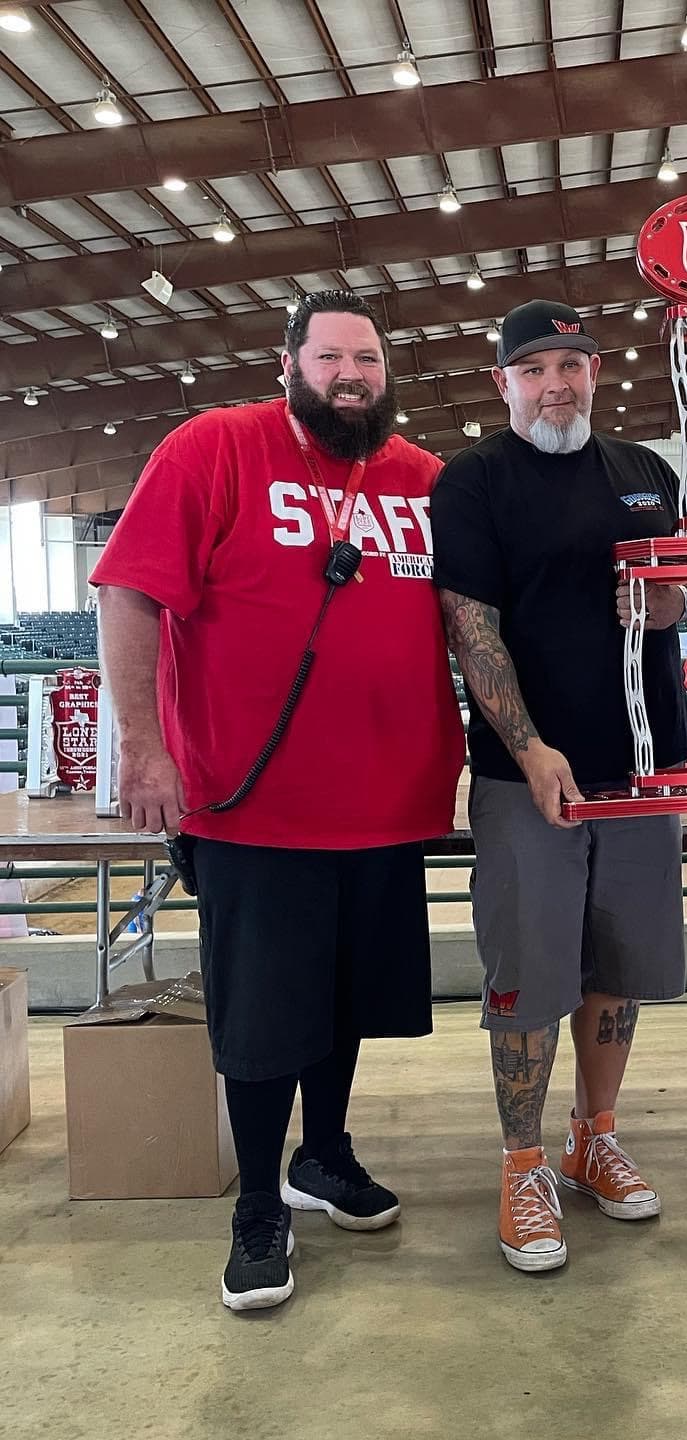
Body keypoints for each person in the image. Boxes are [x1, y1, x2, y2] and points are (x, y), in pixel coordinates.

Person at [94, 290, 464, 1312]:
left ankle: (323, 1156)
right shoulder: (215, 449)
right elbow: (128, 591)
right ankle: (259, 1204)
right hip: (252, 802)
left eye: (368, 360)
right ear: (289, 365)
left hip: (386, 803)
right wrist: (142, 748)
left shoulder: (422, 477)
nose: (351, 376)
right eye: (331, 357)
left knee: (344, 1002)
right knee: (263, 1018)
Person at [432, 299, 687, 1274]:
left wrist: (675, 601)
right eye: (534, 369)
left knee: (618, 965)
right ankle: (522, 1164)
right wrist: (529, 749)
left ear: (596, 372)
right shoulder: (474, 481)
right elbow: (471, 630)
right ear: (504, 383)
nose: (555, 385)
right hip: (531, 777)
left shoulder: (645, 473)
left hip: (644, 765)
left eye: (571, 365)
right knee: (528, 977)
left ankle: (591, 1136)